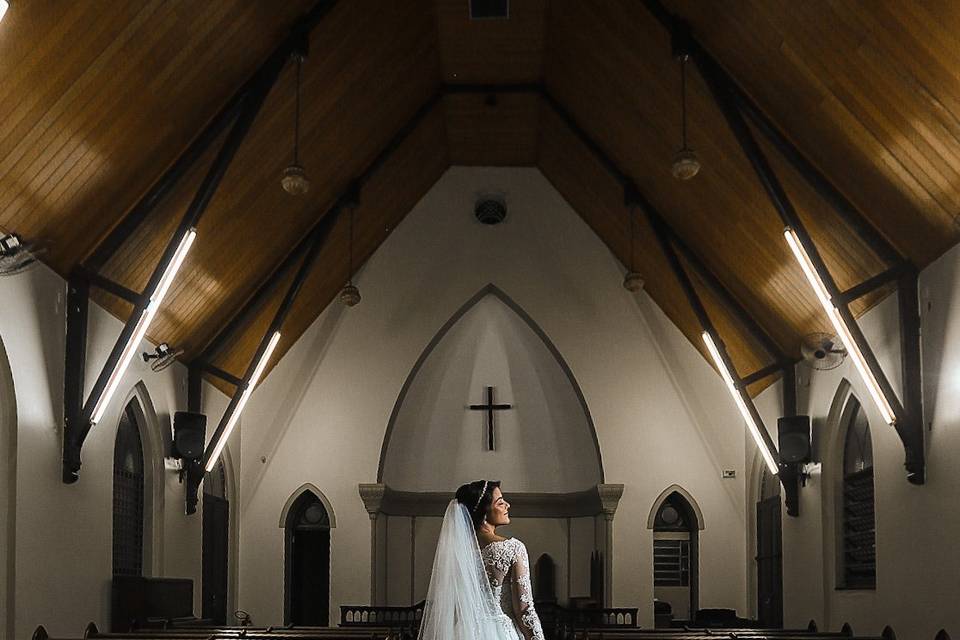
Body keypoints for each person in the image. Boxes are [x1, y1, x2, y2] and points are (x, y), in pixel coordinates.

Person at [418, 480, 546, 640]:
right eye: (500, 503)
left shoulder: (456, 553)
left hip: (462, 633)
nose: (508, 505)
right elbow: (524, 610)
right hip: (501, 633)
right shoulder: (513, 549)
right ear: (484, 511)